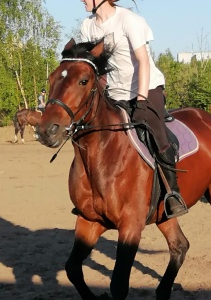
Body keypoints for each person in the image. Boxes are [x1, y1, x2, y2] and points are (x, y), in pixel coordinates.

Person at [79, 0, 188, 218]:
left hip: (146, 87)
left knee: (154, 128)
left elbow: (143, 61)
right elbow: (91, 67)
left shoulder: (129, 20)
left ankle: (173, 194)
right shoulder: (87, 26)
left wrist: (141, 99)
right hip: (115, 92)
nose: (81, 0)